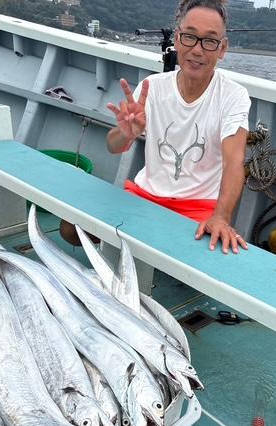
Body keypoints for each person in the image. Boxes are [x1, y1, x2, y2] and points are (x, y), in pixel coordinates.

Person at [61, 0, 251, 254]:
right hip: (145, 197)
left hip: (198, 207)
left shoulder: (233, 96)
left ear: (222, 48)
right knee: (70, 228)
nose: (197, 50)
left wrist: (222, 217)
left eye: (209, 41)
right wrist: (125, 133)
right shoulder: (153, 87)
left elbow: (234, 161)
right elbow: (113, 146)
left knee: (212, 257)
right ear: (177, 38)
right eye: (189, 37)